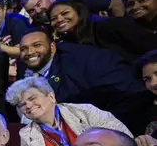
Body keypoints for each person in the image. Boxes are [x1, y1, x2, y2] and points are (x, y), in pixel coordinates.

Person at [17, 29, 151, 135]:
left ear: (52, 47)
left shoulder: (81, 63)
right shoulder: (25, 67)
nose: (29, 52)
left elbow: (131, 92)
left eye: (37, 45)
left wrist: (100, 127)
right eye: (24, 49)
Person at [5, 76, 133, 146]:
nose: (27, 105)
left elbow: (125, 140)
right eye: (21, 104)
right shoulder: (26, 134)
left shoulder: (85, 112)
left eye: (32, 98)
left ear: (51, 97)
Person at [49, 0, 157, 64]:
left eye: (65, 13)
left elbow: (150, 45)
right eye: (53, 19)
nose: (59, 20)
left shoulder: (111, 25)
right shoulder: (68, 43)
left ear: (79, 12)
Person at [22, 0, 125, 28]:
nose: (38, 11)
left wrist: (120, 28)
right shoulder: (37, 26)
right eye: (31, 11)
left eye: (39, 4)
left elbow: (116, 3)